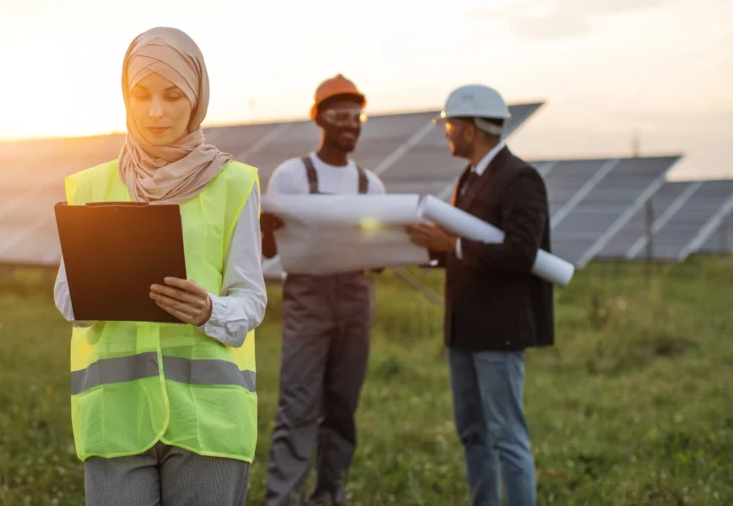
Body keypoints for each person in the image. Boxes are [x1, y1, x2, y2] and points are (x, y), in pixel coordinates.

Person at [53, 27, 267, 506]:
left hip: (210, 421)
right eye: (140, 95)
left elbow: (251, 300)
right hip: (116, 418)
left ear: (197, 98)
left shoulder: (234, 185)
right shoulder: (90, 187)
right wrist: (97, 287)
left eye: (173, 96)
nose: (155, 112)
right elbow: (68, 301)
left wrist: (209, 309)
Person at [405, 84, 554, 506]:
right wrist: (427, 246)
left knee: (506, 434)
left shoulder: (520, 178)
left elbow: (522, 252)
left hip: (499, 330)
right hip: (465, 327)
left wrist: (449, 245)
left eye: (450, 125)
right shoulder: (469, 179)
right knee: (473, 432)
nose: (447, 133)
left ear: (470, 130)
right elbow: (463, 250)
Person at [261, 74, 386, 506]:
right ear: (318, 118)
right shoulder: (293, 175)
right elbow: (267, 246)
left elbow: (379, 257)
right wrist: (264, 228)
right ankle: (283, 498)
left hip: (356, 300)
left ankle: (330, 493)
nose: (350, 124)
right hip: (308, 301)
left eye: (357, 116)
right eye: (339, 115)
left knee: (343, 404)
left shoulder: (372, 185)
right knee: (297, 404)